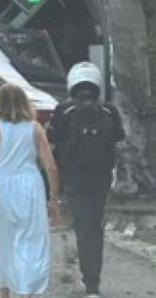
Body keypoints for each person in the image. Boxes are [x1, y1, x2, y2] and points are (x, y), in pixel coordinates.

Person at [0, 84, 63, 298]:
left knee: (3, 241)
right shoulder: (35, 127)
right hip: (30, 185)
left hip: (0, 185)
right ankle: (27, 291)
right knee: (31, 240)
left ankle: (5, 294)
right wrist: (54, 200)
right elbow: (51, 166)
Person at [47, 62, 126, 298]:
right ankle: (95, 282)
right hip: (101, 177)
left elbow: (52, 137)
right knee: (96, 226)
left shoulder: (64, 110)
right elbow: (119, 136)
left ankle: (88, 280)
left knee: (82, 228)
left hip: (74, 177)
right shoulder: (109, 111)